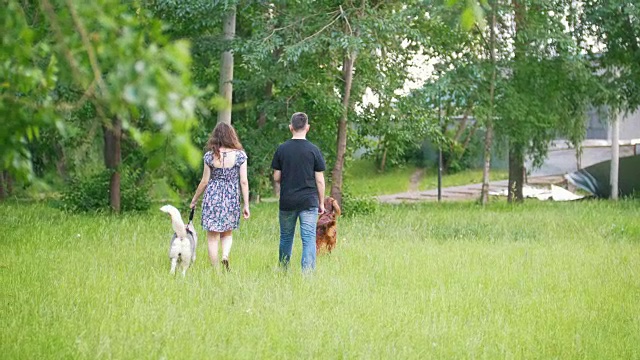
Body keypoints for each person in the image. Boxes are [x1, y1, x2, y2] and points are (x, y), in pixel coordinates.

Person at [191, 122, 250, 272]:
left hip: (213, 196)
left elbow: (204, 181)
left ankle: (216, 270)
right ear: (232, 136)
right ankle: (225, 255)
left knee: (212, 237)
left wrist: (194, 200)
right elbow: (243, 181)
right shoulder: (240, 155)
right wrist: (246, 204)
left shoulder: (209, 156)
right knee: (227, 232)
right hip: (231, 196)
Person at [271, 112, 326, 271]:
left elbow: (276, 177)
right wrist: (321, 202)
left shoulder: (282, 149)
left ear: (291, 128)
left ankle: (283, 269)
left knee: (286, 237)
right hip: (308, 202)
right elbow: (320, 180)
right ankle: (307, 274)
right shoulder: (314, 150)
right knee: (308, 238)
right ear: (307, 128)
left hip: (287, 201)